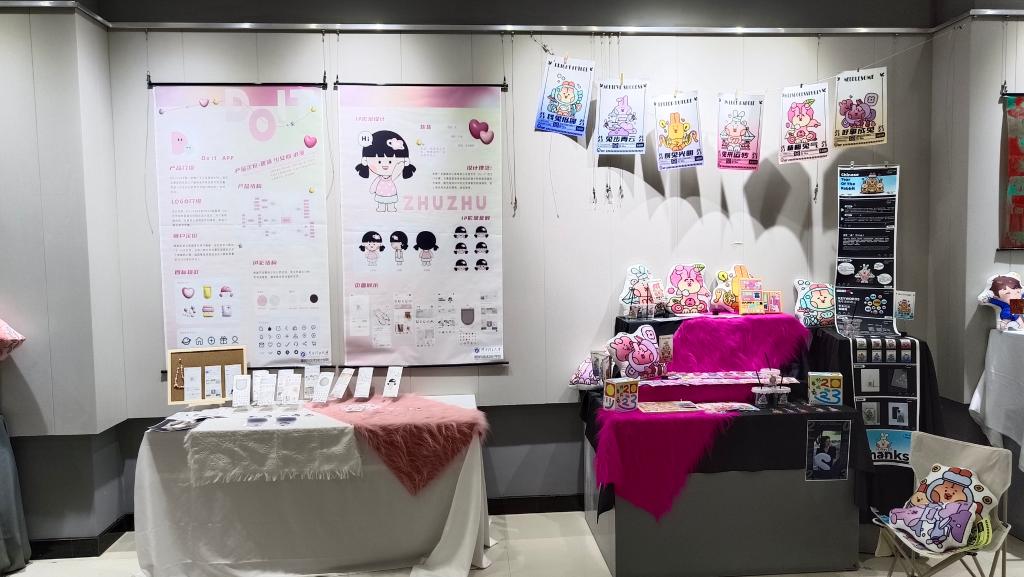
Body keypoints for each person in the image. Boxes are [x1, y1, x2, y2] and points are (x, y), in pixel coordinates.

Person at [355, 130, 416, 212]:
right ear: (365, 160)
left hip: (391, 192)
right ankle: (381, 207)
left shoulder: (394, 175)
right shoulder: (380, 178)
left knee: (391, 201)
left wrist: (400, 167)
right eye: (379, 162)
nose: (385, 165)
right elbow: (374, 185)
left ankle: (391, 207)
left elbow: (397, 170)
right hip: (380, 193)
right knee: (381, 202)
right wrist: (372, 189)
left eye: (390, 162)